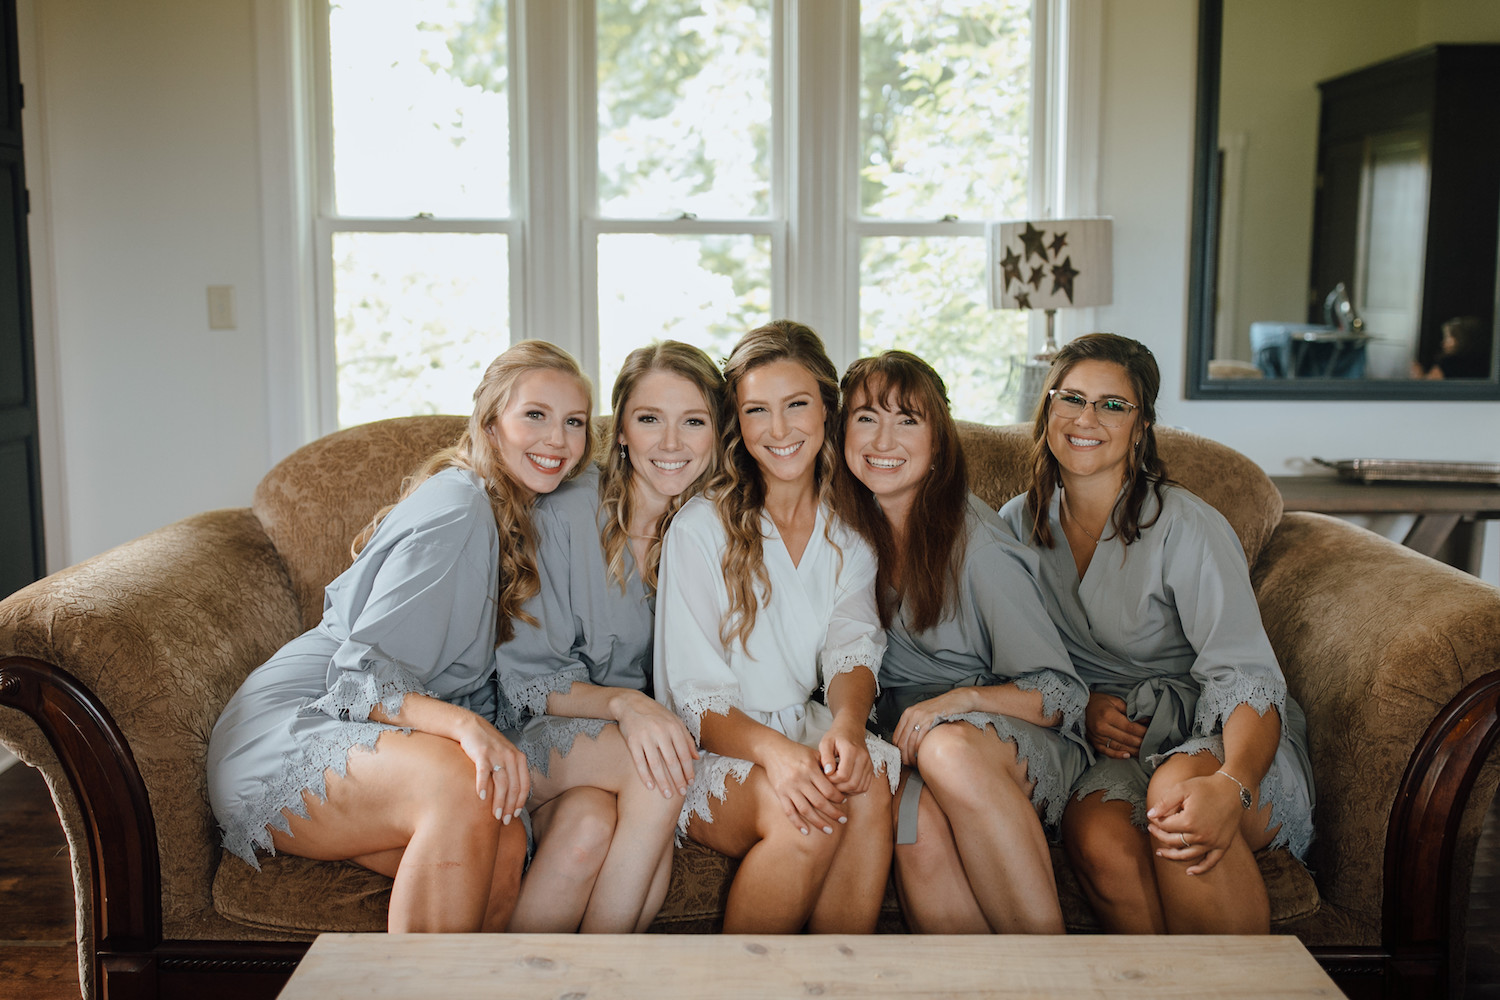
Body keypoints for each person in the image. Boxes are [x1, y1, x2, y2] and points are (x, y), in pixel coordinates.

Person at [207, 340, 598, 933]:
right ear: (492, 424)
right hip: (301, 724)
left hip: (382, 730)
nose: (557, 440)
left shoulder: (519, 516)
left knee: (505, 838)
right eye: (535, 415)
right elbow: (357, 677)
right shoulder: (461, 502)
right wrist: (471, 728)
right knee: (468, 782)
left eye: (573, 423)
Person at [998, 332, 1314, 935]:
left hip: (1224, 735)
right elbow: (1011, 658)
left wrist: (1233, 784)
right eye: (1072, 399)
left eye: (1113, 404)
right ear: (1048, 412)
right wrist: (1080, 704)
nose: (1087, 418)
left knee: (1180, 798)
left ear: (1140, 427)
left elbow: (1247, 676)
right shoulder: (1018, 523)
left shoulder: (1187, 526)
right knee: (1096, 834)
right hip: (1113, 747)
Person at [831, 350, 1090, 934]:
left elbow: (1060, 695)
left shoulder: (979, 547)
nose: (884, 439)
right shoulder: (846, 530)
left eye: (908, 420)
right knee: (912, 830)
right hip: (909, 743)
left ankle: (1053, 978)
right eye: (867, 418)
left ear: (939, 440)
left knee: (947, 749)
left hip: (1004, 738)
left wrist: (960, 703)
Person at [653, 320, 898, 933]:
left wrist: (845, 724)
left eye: (796, 405)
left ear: (827, 410)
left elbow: (852, 647)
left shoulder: (850, 529)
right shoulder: (701, 528)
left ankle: (838, 982)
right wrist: (783, 760)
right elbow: (695, 699)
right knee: (807, 822)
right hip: (716, 742)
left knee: (866, 782)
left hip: (800, 727)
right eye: (758, 410)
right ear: (739, 423)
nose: (780, 430)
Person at [497, 341, 725, 933]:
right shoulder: (568, 512)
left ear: (716, 435)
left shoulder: (709, 529)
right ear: (621, 429)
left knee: (586, 832)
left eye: (693, 421)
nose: (671, 444)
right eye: (650, 419)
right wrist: (630, 706)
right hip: (537, 732)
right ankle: (618, 982)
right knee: (662, 766)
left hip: (621, 749)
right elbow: (530, 682)